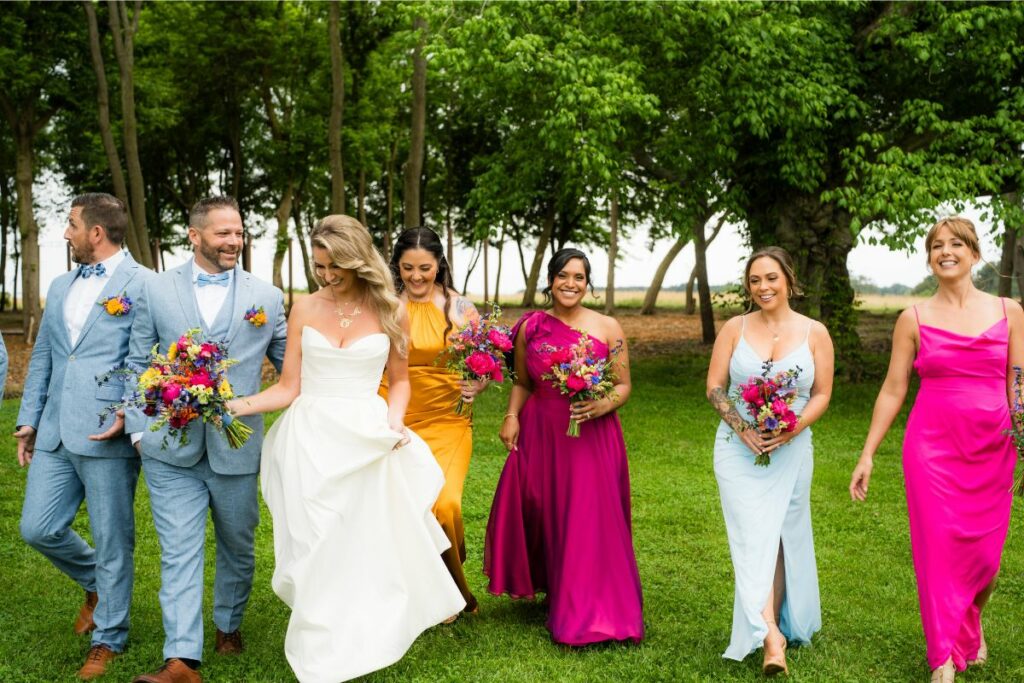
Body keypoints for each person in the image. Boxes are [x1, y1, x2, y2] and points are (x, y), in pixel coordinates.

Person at [227, 215, 464, 683]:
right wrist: (236, 404)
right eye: (319, 267)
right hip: (309, 440)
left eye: (336, 267)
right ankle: (319, 644)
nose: (328, 276)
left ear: (358, 260)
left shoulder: (389, 309)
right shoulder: (304, 309)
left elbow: (400, 383)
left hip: (365, 437)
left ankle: (362, 630)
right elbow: (289, 387)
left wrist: (393, 422)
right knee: (315, 541)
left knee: (358, 541)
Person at [849, 217, 1021, 683]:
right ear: (929, 258)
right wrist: (868, 453)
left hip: (993, 446)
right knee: (937, 550)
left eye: (956, 244)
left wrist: (1023, 434)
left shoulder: (1010, 310)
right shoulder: (913, 318)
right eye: (936, 246)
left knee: (987, 557)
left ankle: (971, 620)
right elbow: (892, 389)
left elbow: (1018, 381)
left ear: (974, 253)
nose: (946, 251)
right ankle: (942, 657)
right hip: (932, 449)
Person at [126, 196, 288, 683]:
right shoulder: (155, 289)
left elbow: (291, 367)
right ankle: (182, 658)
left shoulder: (268, 295)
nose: (234, 241)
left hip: (237, 443)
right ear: (194, 236)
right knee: (178, 548)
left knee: (238, 543)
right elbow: (137, 362)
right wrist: (137, 430)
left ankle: (228, 623)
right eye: (223, 234)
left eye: (238, 233)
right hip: (168, 450)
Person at [14, 193, 154, 680]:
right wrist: (28, 419)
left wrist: (126, 411)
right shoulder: (59, 283)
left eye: (72, 224)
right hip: (53, 429)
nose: (66, 232)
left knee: (114, 538)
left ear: (96, 232)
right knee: (37, 527)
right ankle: (99, 585)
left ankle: (109, 636)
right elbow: (46, 359)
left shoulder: (146, 285)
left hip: (107, 434)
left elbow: (152, 361)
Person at [484, 247, 643, 646]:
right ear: (550, 280)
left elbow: (623, 385)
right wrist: (511, 416)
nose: (570, 284)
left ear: (588, 285)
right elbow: (522, 381)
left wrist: (601, 403)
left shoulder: (609, 328)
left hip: (592, 433)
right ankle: (557, 586)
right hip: (543, 431)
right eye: (563, 276)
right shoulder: (530, 327)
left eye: (579, 277)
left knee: (590, 515)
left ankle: (595, 607)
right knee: (547, 509)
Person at [705, 246, 834, 676]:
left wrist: (791, 427)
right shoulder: (734, 328)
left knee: (779, 536)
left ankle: (774, 620)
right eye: (755, 280)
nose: (763, 287)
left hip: (792, 448)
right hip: (736, 448)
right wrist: (743, 429)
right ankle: (770, 638)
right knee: (749, 535)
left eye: (771, 278)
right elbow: (715, 388)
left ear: (789, 280)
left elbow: (822, 394)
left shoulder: (815, 332)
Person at [385, 226, 486, 618]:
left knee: (445, 505)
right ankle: (449, 596)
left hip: (448, 419)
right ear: (396, 266)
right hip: (394, 416)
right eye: (407, 267)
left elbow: (486, 363)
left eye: (424, 268)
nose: (415, 276)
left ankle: (453, 587)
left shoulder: (461, 309)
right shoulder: (384, 305)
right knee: (408, 507)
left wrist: (477, 382)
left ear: (439, 264)